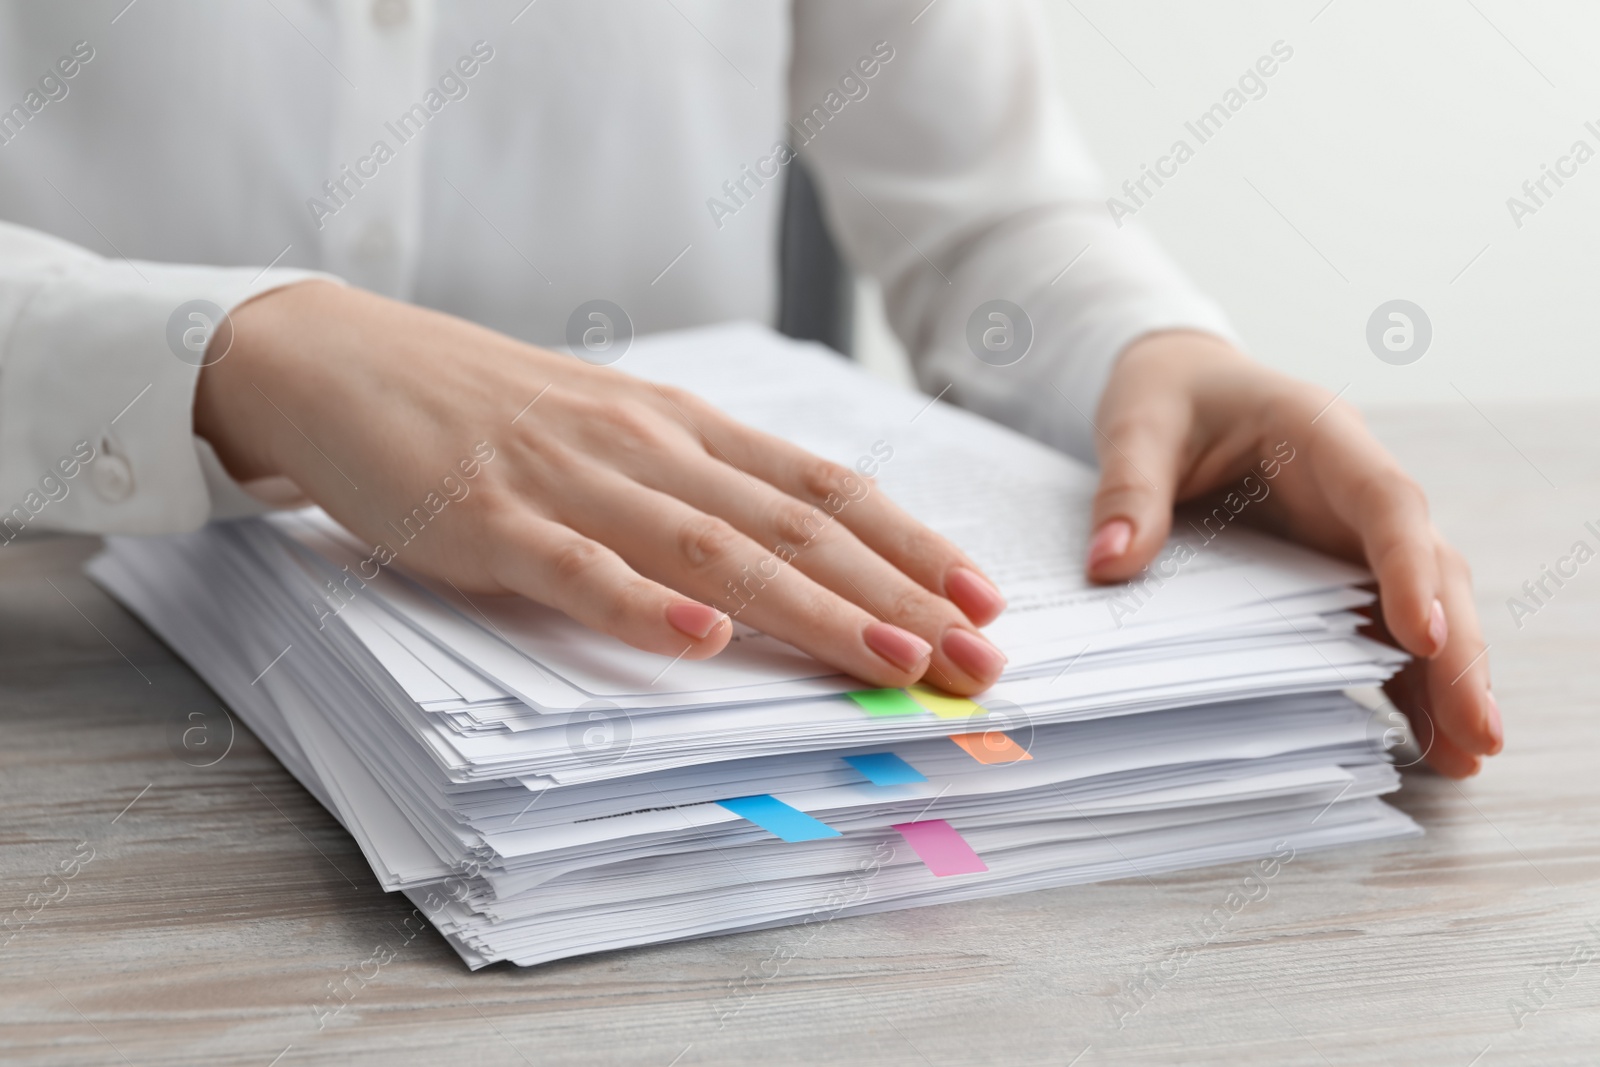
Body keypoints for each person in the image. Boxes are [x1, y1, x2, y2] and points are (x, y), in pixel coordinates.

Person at [0, 0, 1497, 776]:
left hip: (685, 738)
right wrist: (240, 347)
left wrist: (1154, 354)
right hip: (64, 675)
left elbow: (981, 213)